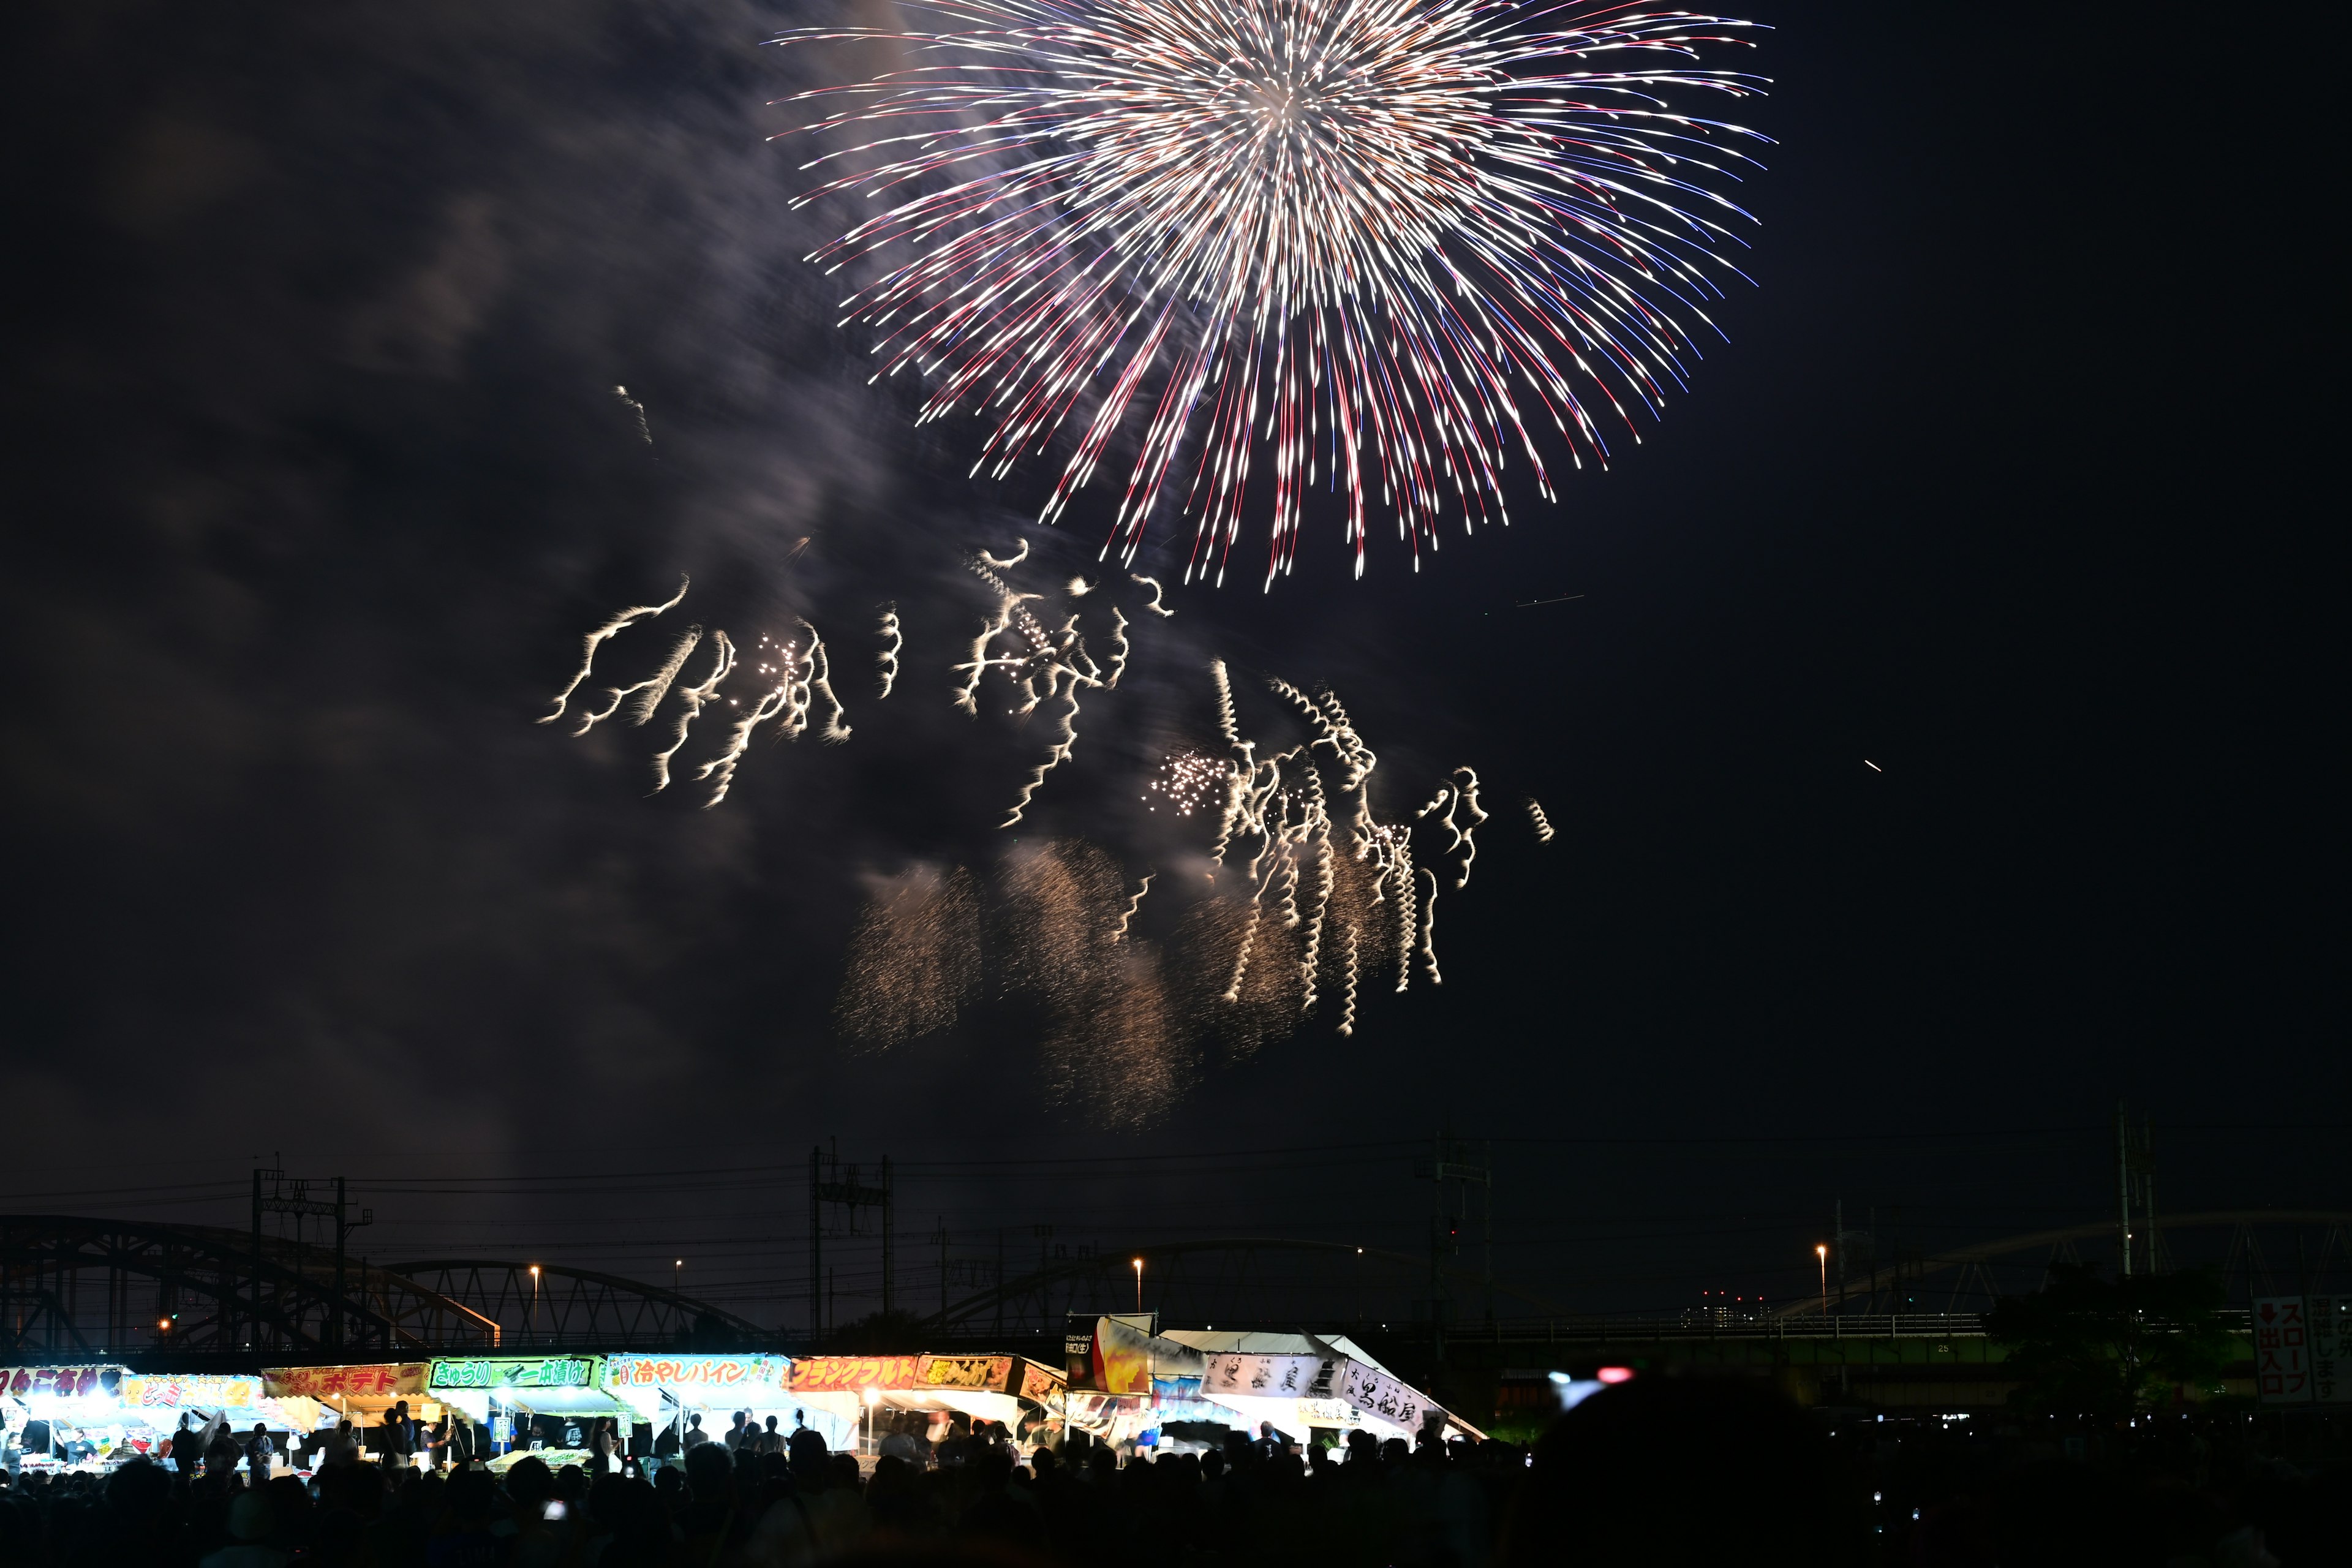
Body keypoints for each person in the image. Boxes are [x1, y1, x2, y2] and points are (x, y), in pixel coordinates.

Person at [246, 1423, 274, 1487]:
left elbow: (247, 1451)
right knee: (266, 1488)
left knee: (256, 1489)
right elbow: (271, 1451)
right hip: (266, 1469)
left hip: (256, 1469)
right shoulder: (269, 1441)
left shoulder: (253, 1442)